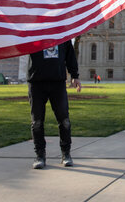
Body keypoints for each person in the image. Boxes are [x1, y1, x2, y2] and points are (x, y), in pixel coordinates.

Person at [27, 40, 82, 169]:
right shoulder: (31, 30)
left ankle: (66, 154)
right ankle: (40, 155)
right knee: (37, 122)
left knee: (64, 120)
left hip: (58, 81)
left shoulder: (61, 31)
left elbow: (70, 54)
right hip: (36, 81)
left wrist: (74, 75)